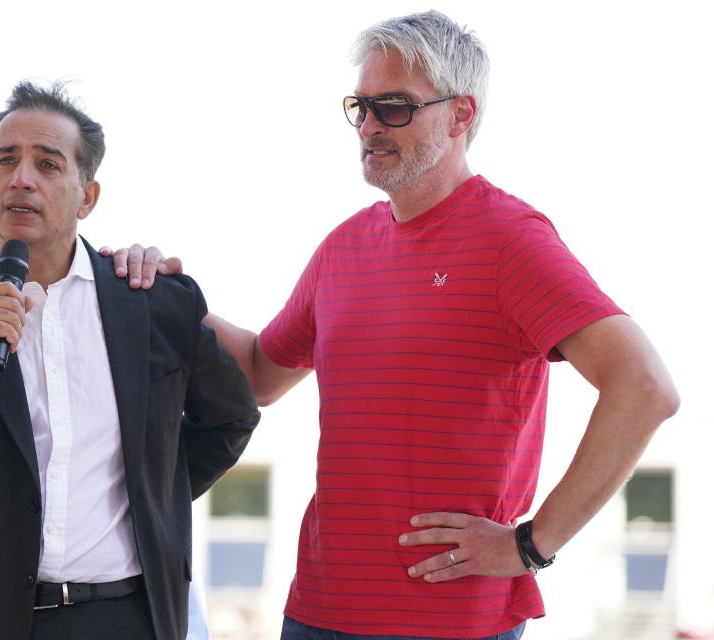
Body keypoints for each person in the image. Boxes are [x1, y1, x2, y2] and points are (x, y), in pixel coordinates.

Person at [108, 10, 679, 639]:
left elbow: (645, 388)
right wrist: (160, 290)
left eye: (396, 107)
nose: (372, 126)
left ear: (461, 115)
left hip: (448, 621)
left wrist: (530, 545)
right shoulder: (344, 248)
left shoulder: (510, 241)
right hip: (316, 612)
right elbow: (259, 376)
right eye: (362, 107)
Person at [0, 81, 260, 640]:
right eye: (6, 161)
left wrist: (151, 495)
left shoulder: (156, 302)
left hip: (122, 617)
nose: (22, 178)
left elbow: (232, 419)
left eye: (48, 164)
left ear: (88, 196)